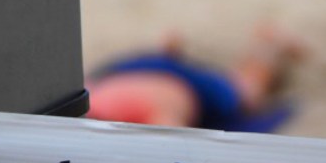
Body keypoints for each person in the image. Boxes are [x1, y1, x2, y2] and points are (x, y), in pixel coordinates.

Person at [85, 24, 306, 130]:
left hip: (179, 86)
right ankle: (169, 52)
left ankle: (271, 44)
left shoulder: (143, 118)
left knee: (246, 94)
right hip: (126, 73)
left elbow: (177, 144)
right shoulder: (87, 107)